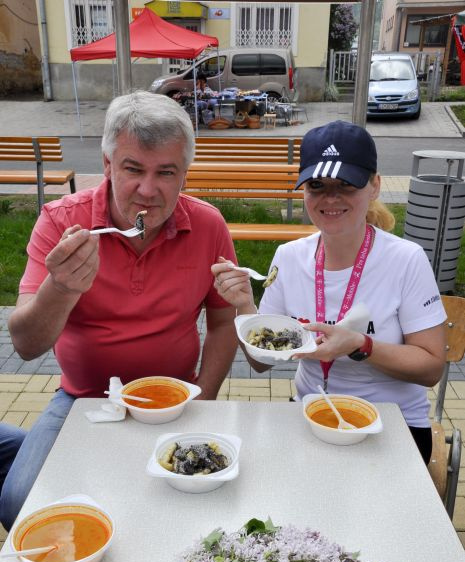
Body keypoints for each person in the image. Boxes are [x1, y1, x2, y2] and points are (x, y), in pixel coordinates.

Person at [2, 91, 238, 531]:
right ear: (108, 165)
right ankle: (34, 447)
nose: (148, 190)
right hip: (81, 398)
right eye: (133, 169)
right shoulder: (61, 222)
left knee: (184, 508)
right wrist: (61, 287)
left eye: (165, 172)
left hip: (177, 399)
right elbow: (26, 345)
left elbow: (224, 322)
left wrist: (202, 399)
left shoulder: (208, 225)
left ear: (184, 174)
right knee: (19, 500)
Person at [211, 120, 446, 465]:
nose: (330, 198)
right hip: (310, 415)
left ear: (375, 186)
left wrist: (360, 345)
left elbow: (431, 368)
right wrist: (245, 305)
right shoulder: (289, 257)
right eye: (317, 185)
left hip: (392, 424)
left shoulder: (406, 259)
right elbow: (260, 363)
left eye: (346, 184)